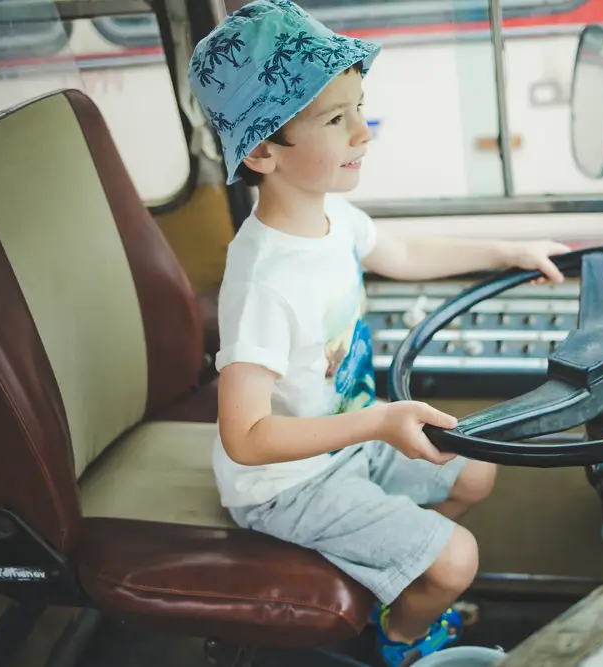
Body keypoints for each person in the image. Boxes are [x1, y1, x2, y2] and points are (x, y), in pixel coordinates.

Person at [188, 2, 570, 664]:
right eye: (335, 120)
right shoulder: (262, 282)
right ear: (261, 150)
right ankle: (402, 638)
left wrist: (508, 251)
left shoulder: (330, 215)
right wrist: (378, 423)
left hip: (351, 441)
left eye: (359, 108)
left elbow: (401, 252)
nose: (363, 132)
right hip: (287, 484)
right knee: (459, 559)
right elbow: (246, 438)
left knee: (474, 468)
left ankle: (405, 579)